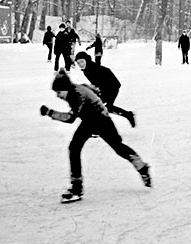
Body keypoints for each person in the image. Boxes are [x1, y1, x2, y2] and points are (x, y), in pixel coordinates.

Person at [39, 69, 151, 202]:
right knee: (77, 148)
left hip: (100, 120)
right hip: (93, 119)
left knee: (112, 147)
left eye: (58, 92)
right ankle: (141, 166)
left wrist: (50, 113)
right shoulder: (74, 89)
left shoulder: (75, 94)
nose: (58, 96)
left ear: (65, 88)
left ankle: (77, 189)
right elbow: (95, 91)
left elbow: (70, 118)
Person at [75, 51, 135, 127]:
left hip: (112, 86)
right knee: (103, 107)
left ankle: (94, 127)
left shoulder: (91, 69)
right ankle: (128, 115)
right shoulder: (87, 69)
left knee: (99, 107)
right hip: (106, 87)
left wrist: (95, 91)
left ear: (86, 60)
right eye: (78, 63)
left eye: (82, 61)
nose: (80, 64)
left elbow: (101, 80)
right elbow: (96, 82)